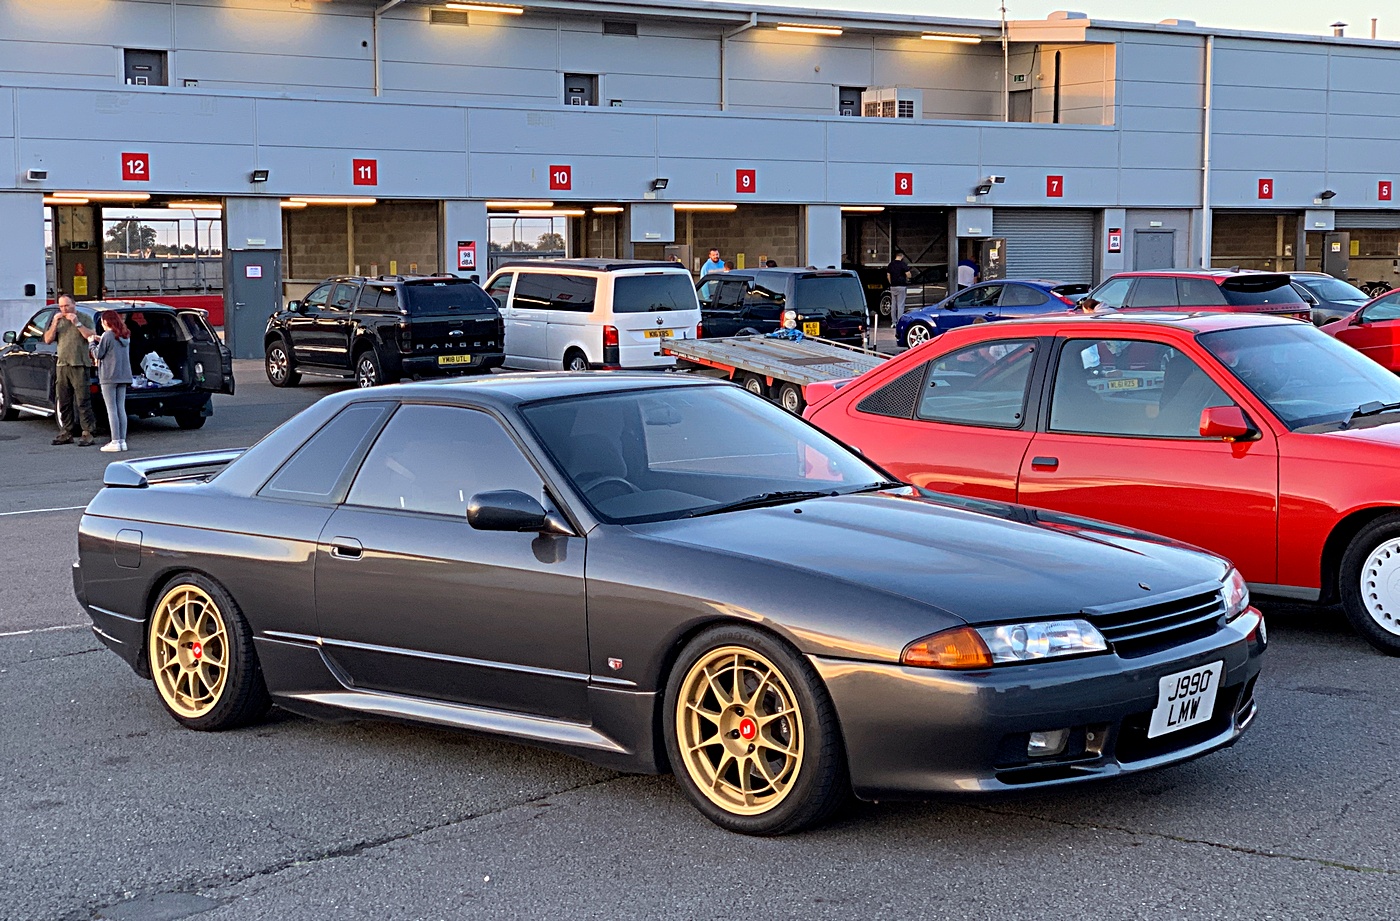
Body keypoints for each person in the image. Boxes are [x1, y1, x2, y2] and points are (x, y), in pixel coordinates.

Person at [43, 295, 98, 446]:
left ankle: (87, 432)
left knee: (82, 400)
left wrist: (77, 323)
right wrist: (54, 322)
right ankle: (66, 431)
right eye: (61, 306)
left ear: (74, 304)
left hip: (79, 364)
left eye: (67, 305)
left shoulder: (85, 317)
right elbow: (47, 339)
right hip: (62, 365)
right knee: (64, 400)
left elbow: (91, 336)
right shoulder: (59, 319)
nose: (64, 309)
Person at [95, 310, 134, 452]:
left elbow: (98, 354)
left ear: (106, 321)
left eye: (102, 322)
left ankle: (115, 441)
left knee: (111, 409)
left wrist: (91, 343)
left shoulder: (107, 335)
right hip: (123, 375)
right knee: (120, 408)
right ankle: (122, 441)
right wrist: (101, 340)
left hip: (109, 376)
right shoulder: (125, 334)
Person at [885, 250, 910, 324]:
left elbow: (888, 275)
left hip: (893, 286)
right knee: (900, 304)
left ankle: (893, 322)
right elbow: (908, 274)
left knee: (893, 304)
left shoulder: (891, 264)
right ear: (902, 256)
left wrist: (891, 283)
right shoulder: (903, 264)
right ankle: (900, 321)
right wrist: (908, 278)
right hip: (901, 286)